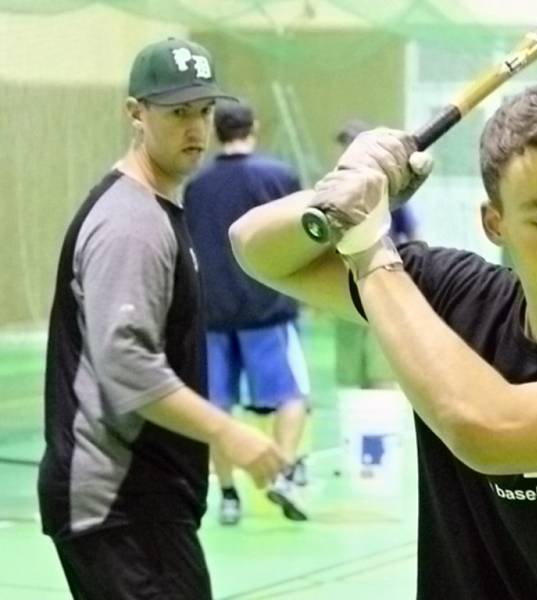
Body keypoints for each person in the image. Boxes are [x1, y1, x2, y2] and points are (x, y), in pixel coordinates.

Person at [229, 83, 537, 599]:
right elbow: (253, 245)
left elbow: (487, 428)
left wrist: (368, 248)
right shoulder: (452, 295)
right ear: (496, 223)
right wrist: (339, 194)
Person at [38, 38, 286, 600]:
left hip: (141, 504)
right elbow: (126, 365)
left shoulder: (159, 210)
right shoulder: (132, 225)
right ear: (135, 114)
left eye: (204, 111)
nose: (196, 128)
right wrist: (229, 433)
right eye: (178, 113)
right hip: (119, 504)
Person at [184, 99, 311, 523]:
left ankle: (228, 496)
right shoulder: (279, 176)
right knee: (291, 397)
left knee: (217, 408)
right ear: (253, 126)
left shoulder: (196, 186)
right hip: (268, 309)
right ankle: (286, 475)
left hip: (212, 313)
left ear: (216, 130)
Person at [333, 119, 417, 389]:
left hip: (380, 280)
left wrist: (410, 278)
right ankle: (353, 426)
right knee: (348, 367)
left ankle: (379, 424)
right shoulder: (333, 189)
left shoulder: (388, 187)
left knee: (382, 366)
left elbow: (411, 233)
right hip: (344, 283)